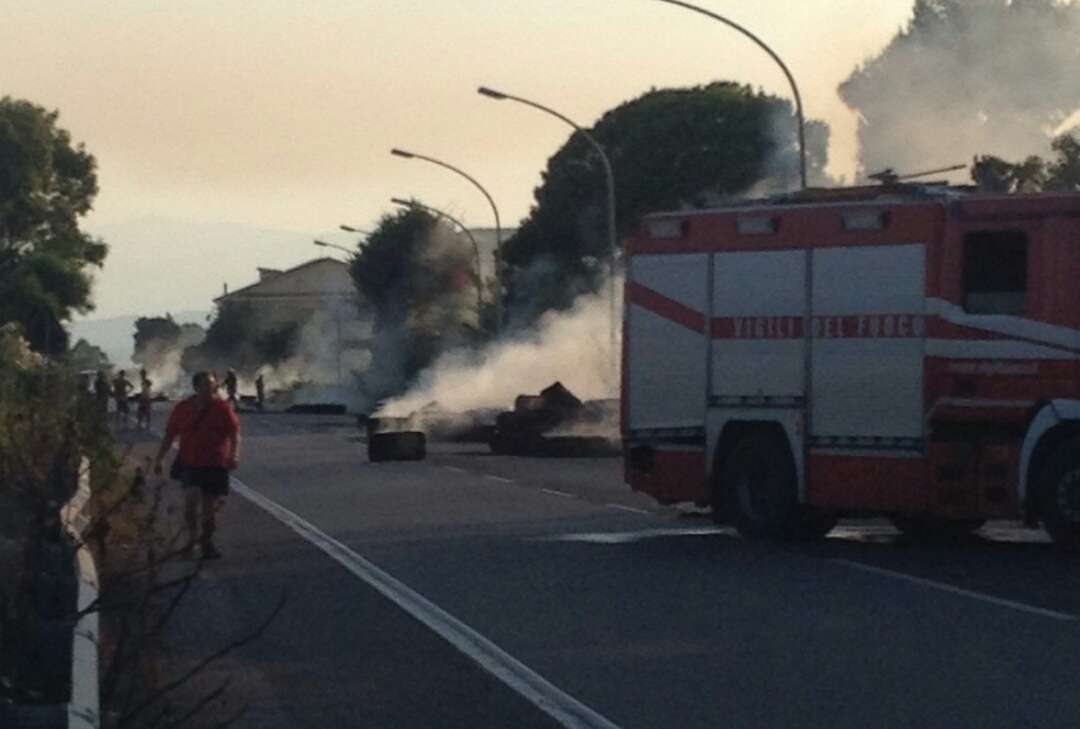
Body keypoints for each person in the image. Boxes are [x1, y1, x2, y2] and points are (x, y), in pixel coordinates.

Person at [152, 371, 241, 560]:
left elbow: (234, 433)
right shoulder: (183, 408)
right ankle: (191, 540)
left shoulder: (222, 408)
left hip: (215, 464)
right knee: (191, 503)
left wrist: (234, 454)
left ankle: (206, 541)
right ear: (196, 387)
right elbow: (169, 435)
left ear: (216, 386)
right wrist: (159, 458)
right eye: (204, 385)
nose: (208, 388)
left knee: (209, 511)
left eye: (211, 385)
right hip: (190, 463)